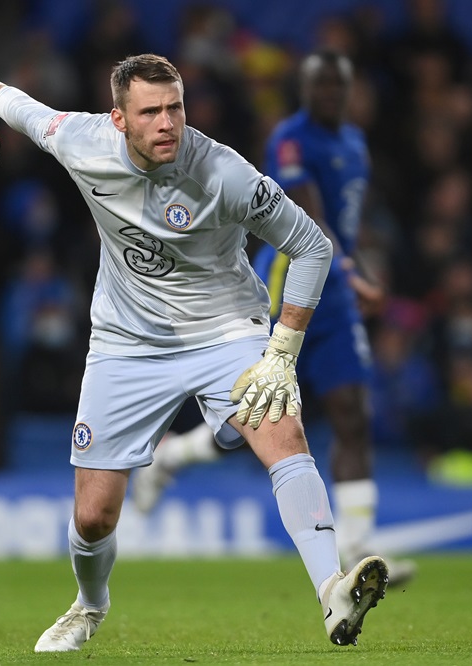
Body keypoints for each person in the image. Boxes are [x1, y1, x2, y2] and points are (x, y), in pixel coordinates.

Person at [0, 53, 389, 653]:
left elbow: (311, 247)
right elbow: (20, 109)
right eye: (151, 112)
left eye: (176, 108)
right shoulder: (80, 140)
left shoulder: (224, 173)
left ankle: (332, 590)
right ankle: (89, 606)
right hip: (126, 341)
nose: (168, 123)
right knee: (93, 516)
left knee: (284, 434)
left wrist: (281, 350)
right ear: (118, 119)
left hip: (226, 330)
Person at [132, 51, 416, 584]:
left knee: (352, 412)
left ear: (350, 90)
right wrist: (353, 272)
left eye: (338, 85)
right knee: (249, 424)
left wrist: (353, 269)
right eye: (320, 85)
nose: (330, 94)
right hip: (286, 285)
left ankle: (358, 551)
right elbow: (307, 214)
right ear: (303, 90)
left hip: (337, 297)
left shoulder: (354, 143)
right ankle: (171, 458)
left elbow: (349, 221)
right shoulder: (291, 139)